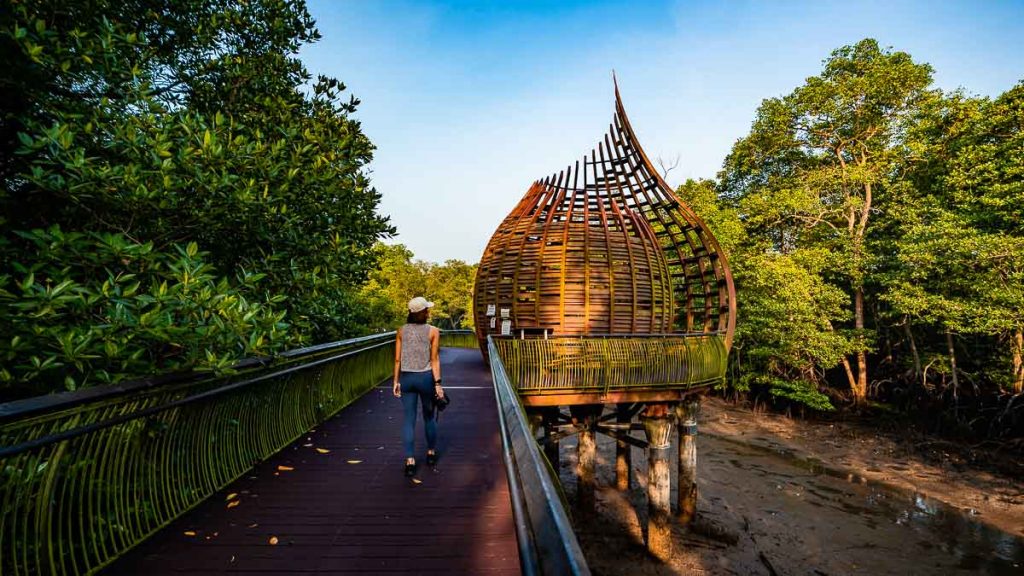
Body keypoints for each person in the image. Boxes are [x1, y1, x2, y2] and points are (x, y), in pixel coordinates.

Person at [393, 296, 445, 477]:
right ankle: (430, 453)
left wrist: (396, 381)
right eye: (426, 310)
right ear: (422, 313)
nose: (428, 312)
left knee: (408, 420)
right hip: (425, 379)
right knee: (429, 417)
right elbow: (434, 359)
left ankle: (410, 460)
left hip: (407, 378)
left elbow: (398, 359)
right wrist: (438, 384)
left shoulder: (401, 331)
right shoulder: (433, 331)